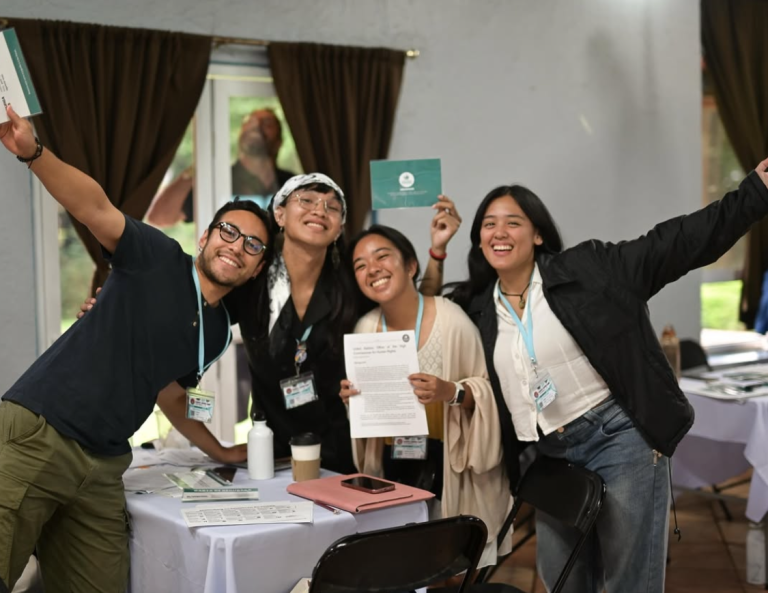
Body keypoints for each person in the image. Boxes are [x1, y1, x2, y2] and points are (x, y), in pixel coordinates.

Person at [447, 159, 768, 593]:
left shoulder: (589, 269)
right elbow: (431, 320)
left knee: (628, 582)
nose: (499, 232)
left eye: (513, 222)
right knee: (562, 579)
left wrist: (754, 192)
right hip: (553, 453)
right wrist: (436, 251)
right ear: (479, 239)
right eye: (489, 224)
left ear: (538, 234)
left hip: (619, 439)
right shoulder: (479, 309)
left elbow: (676, 242)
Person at [0, 104, 271, 592]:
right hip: (40, 434)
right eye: (229, 232)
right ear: (206, 237)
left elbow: (172, 395)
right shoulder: (158, 257)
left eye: (253, 245)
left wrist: (222, 450)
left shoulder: (217, 331)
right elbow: (94, 208)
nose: (237, 245)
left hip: (104, 466)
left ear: (257, 268)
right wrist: (34, 152)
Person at [227, 173, 462, 474]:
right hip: (271, 450)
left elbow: (411, 305)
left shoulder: (350, 284)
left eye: (332, 207)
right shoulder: (253, 281)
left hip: (339, 453)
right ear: (280, 214)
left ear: (339, 228)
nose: (319, 210)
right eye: (306, 200)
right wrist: (215, 448)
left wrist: (437, 251)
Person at [339, 225, 511, 567]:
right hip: (392, 467)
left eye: (382, 256)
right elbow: (369, 419)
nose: (372, 269)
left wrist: (450, 391)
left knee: (443, 563)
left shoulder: (451, 320)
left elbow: (489, 394)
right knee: (397, 564)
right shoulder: (365, 328)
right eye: (360, 265)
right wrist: (354, 402)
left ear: (411, 266)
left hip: (447, 464)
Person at [145, 108, 296, 226]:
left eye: (266, 123)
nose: (256, 126)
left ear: (279, 141)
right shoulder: (218, 179)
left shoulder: (292, 184)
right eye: (250, 122)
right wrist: (197, 167)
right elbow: (159, 217)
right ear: (240, 135)